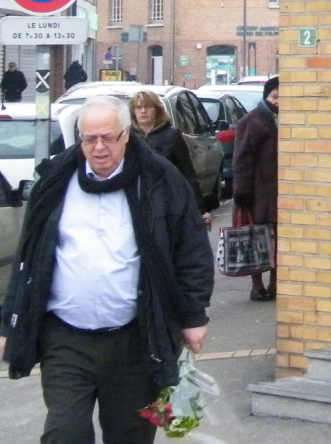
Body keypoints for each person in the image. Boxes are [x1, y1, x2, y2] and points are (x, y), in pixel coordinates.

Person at [0, 96, 213, 444]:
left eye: (108, 138)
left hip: (135, 340)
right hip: (66, 338)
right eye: (89, 139)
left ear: (126, 135)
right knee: (64, 433)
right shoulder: (54, 183)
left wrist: (193, 316)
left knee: (129, 435)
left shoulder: (159, 181)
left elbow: (191, 252)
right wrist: (9, 320)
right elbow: (29, 258)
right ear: (79, 138)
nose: (99, 148)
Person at [129, 90, 212, 226]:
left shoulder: (172, 135)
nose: (143, 111)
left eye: (147, 107)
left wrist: (199, 210)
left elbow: (187, 174)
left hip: (166, 203)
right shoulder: (127, 137)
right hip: (137, 203)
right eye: (138, 107)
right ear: (133, 111)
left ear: (157, 110)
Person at [233, 75, 279, 301]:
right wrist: (242, 192)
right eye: (275, 96)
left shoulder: (282, 119)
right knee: (257, 238)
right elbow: (242, 158)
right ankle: (257, 285)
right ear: (266, 97)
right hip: (258, 191)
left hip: (276, 191)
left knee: (277, 239)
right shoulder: (254, 120)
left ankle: (275, 283)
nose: (279, 101)